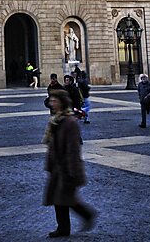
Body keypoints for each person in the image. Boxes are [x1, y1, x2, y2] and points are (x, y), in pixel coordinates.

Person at [42, 89, 97, 238]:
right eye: (51, 100)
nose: (52, 103)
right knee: (59, 199)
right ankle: (63, 228)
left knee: (66, 199)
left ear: (62, 102)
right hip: (57, 166)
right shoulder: (56, 120)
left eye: (55, 100)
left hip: (67, 166)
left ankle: (87, 215)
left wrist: (71, 171)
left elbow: (73, 149)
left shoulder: (70, 122)